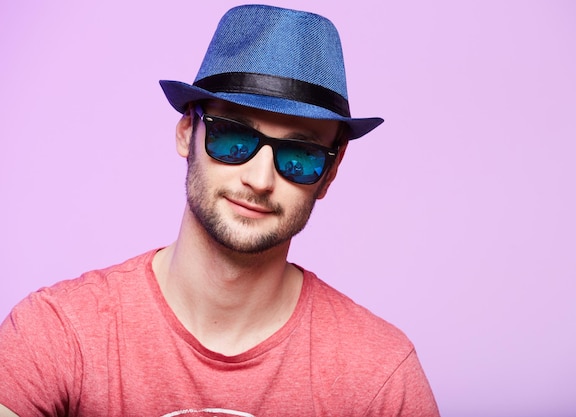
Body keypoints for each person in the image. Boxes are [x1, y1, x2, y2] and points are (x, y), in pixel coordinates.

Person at [0, 5, 439, 416]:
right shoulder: (58, 333)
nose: (260, 179)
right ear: (186, 131)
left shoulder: (380, 375)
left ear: (331, 171)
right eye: (232, 136)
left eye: (300, 154)